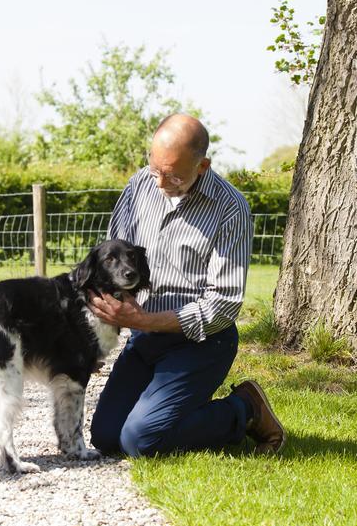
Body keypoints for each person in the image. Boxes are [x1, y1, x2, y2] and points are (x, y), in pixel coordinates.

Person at [88, 113, 285, 457]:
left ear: (203, 165)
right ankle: (175, 414)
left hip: (201, 343)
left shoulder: (230, 208)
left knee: (140, 441)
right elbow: (111, 263)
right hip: (144, 338)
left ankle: (244, 409)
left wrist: (146, 321)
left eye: (174, 176)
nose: (161, 184)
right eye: (155, 171)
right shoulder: (138, 187)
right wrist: (94, 339)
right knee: (106, 437)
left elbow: (223, 304)